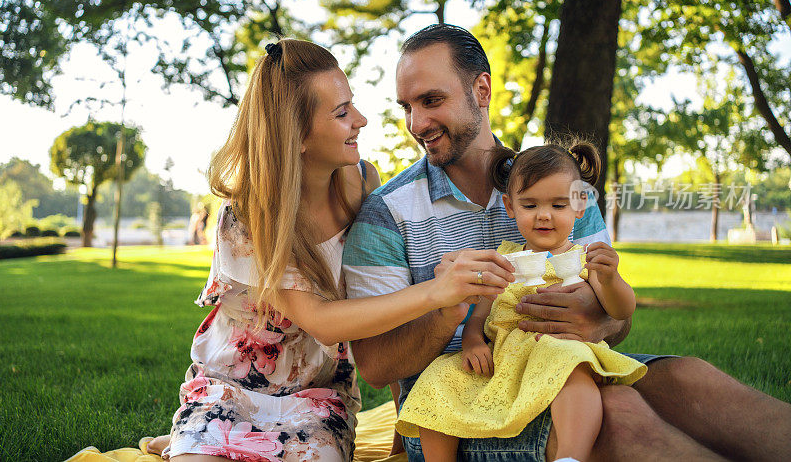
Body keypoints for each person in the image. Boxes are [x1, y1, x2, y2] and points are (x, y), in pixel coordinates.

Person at [342, 23, 791, 461]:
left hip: (558, 362)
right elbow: (377, 367)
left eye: (432, 100)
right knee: (617, 413)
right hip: (455, 405)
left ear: (481, 90)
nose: (417, 123)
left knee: (691, 380)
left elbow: (616, 322)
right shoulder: (388, 212)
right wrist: (446, 312)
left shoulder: (563, 187)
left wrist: (597, 317)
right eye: (406, 106)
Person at [159, 39, 507, 462]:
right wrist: (437, 292)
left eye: (352, 106)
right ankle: (195, 436)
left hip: (317, 395)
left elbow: (381, 298)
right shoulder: (247, 217)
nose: (360, 120)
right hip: (231, 388)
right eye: (342, 113)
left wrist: (403, 424)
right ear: (298, 136)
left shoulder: (361, 183)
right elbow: (322, 322)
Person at [397, 140, 646, 462]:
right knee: (439, 377)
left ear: (579, 205)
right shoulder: (505, 262)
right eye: (530, 205)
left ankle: (571, 456)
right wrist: (473, 343)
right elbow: (477, 317)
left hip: (555, 347)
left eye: (558, 205)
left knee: (574, 369)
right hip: (503, 358)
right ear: (510, 206)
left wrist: (611, 279)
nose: (544, 216)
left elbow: (621, 310)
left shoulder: (584, 259)